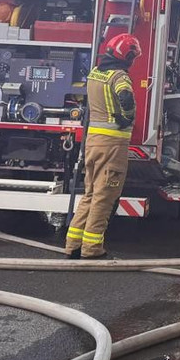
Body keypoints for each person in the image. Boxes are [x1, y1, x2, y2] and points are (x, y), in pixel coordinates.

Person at [66, 33, 142, 259]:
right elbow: (125, 97)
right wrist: (127, 117)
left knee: (90, 193)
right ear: (127, 56)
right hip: (112, 144)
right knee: (104, 195)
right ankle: (92, 248)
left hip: (93, 142)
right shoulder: (119, 76)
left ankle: (73, 244)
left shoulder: (95, 73)